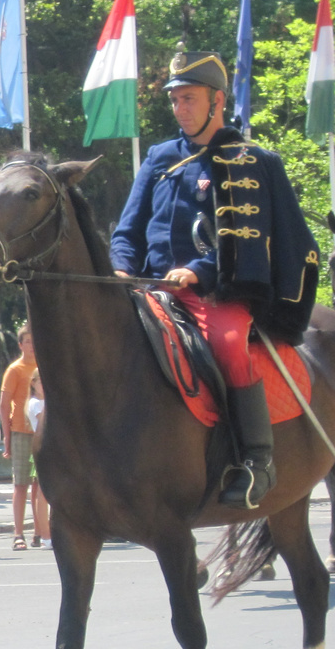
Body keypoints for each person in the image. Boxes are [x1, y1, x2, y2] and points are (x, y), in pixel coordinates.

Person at [111, 51, 320, 510]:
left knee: (227, 343)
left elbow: (251, 237)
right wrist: (122, 268)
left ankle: (256, 460)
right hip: (148, 289)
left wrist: (198, 270)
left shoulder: (249, 161)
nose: (180, 108)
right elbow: (128, 229)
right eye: (175, 100)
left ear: (217, 100)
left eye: (189, 98)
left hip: (213, 290)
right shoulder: (159, 157)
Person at [0, 324, 41, 550]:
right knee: (21, 484)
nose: (32, 347)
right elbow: (4, 405)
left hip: (41, 432)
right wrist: (7, 437)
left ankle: (40, 530)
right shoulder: (15, 369)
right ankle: (18, 533)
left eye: (35, 342)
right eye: (27, 342)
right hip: (21, 432)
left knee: (40, 485)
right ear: (20, 345)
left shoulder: (44, 366)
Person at [25, 370, 50, 547]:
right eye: (40, 381)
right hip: (44, 449)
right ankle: (45, 536)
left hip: (57, 449)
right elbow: (48, 421)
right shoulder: (35, 404)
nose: (44, 384)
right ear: (33, 383)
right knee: (43, 492)